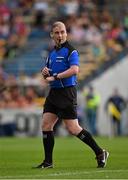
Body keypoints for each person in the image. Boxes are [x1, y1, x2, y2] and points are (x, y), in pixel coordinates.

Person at [35, 21, 109, 169]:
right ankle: (48, 162)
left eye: (62, 32)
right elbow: (49, 74)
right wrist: (45, 73)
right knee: (46, 124)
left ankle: (100, 152)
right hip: (54, 93)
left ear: (66, 33)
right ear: (52, 35)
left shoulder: (71, 51)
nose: (60, 35)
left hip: (67, 93)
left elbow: (74, 70)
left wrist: (55, 76)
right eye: (57, 32)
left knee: (73, 128)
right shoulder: (51, 54)